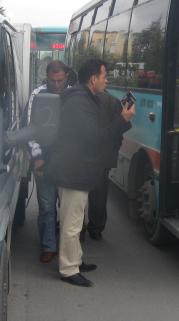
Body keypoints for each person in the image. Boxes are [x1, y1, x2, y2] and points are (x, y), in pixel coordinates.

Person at [44, 58, 135, 287]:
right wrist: (123, 120)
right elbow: (96, 135)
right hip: (72, 171)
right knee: (72, 223)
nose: (106, 81)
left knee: (74, 220)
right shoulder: (79, 101)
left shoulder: (83, 97)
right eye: (104, 76)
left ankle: (75, 260)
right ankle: (68, 270)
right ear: (93, 78)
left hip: (78, 170)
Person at [25, 60, 70, 263]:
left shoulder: (74, 94)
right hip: (45, 156)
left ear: (66, 76)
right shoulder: (37, 95)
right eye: (53, 81)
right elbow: (30, 128)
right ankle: (48, 245)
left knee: (69, 207)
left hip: (68, 159)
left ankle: (69, 247)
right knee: (46, 205)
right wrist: (38, 157)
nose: (57, 85)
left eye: (60, 80)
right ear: (47, 78)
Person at [81, 90, 123, 241]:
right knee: (99, 193)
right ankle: (96, 228)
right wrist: (113, 151)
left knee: (78, 193)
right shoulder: (112, 101)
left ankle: (79, 229)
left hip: (80, 157)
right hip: (103, 157)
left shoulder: (79, 99)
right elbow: (118, 132)